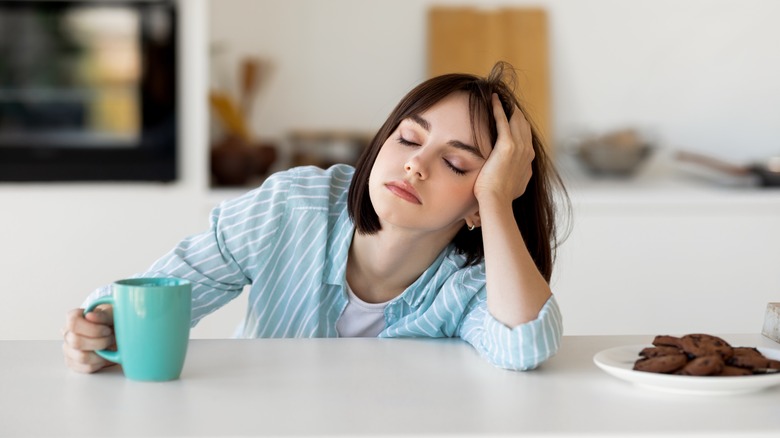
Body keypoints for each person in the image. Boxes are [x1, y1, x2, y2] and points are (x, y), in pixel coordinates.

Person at [63, 61, 569, 373]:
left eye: (457, 163)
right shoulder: (294, 205)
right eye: (408, 139)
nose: (416, 163)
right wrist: (103, 328)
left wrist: (498, 202)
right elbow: (160, 293)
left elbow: (524, 344)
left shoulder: (473, 282)